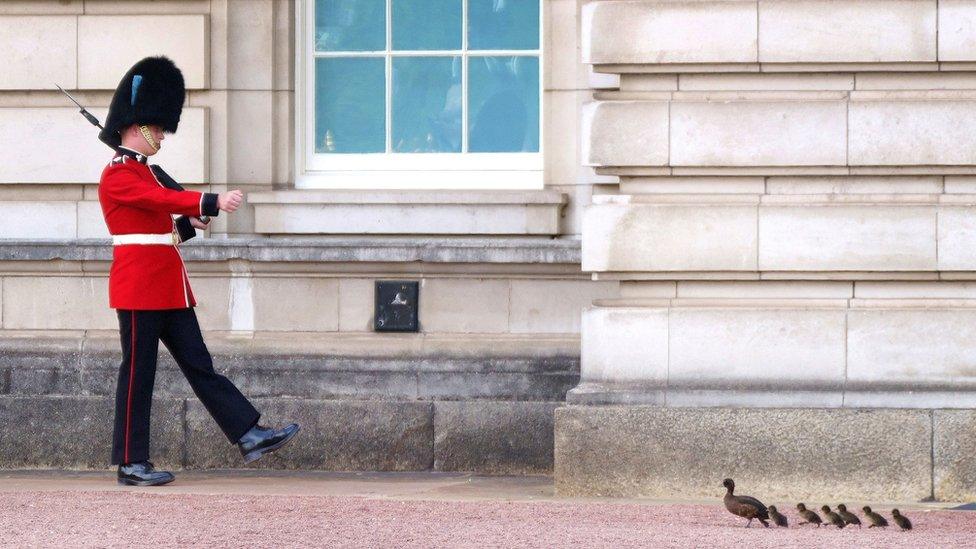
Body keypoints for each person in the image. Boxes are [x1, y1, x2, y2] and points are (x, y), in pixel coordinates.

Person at [97, 56, 299, 486]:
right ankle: (132, 462)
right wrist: (207, 202)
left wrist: (191, 222)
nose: (164, 137)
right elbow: (156, 204)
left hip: (167, 286)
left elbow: (163, 230)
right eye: (160, 129)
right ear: (139, 126)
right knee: (138, 375)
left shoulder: (145, 173)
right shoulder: (118, 175)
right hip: (138, 288)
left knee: (200, 365)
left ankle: (248, 434)